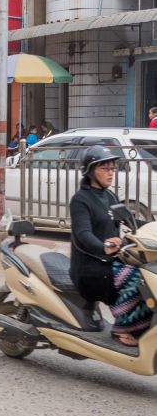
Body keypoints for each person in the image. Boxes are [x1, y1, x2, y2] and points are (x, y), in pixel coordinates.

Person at [69, 146, 153, 346]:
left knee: (149, 274)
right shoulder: (81, 200)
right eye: (104, 169)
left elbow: (131, 221)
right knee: (139, 280)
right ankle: (123, 329)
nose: (110, 173)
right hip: (91, 268)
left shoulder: (110, 197)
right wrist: (104, 246)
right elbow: (83, 234)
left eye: (112, 169)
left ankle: (142, 327)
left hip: (112, 262)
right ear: (90, 171)